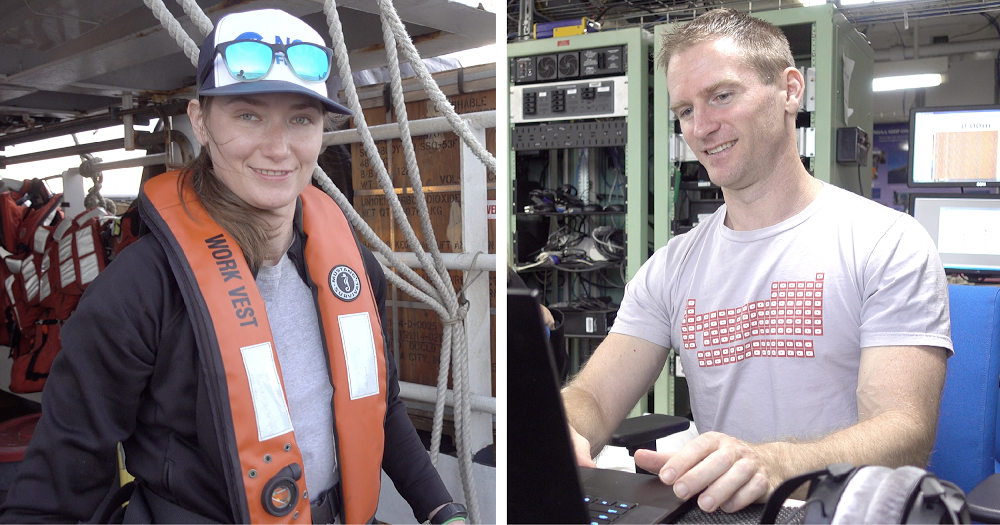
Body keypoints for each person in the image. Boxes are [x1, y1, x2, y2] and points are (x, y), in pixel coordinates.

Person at [0, 8, 468, 525]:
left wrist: (442, 510)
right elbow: (51, 497)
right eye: (248, 115)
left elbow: (383, 403)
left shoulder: (352, 268)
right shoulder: (137, 293)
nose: (278, 147)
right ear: (200, 121)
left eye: (301, 119)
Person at [561, 8, 951, 516]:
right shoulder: (671, 268)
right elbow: (594, 395)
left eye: (722, 96)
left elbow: (904, 434)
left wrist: (775, 465)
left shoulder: (887, 243)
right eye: (684, 110)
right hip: (727, 515)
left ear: (791, 90)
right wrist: (563, 427)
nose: (701, 127)